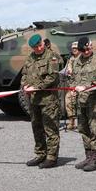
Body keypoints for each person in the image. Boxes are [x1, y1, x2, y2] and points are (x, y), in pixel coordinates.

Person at [21, 34, 61, 169]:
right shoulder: (30, 58)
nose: (38, 49)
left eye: (39, 45)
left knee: (50, 129)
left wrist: (36, 87)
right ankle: (40, 154)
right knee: (37, 128)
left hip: (48, 100)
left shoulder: (52, 56)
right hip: (33, 100)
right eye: (35, 47)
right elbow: (24, 74)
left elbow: (52, 77)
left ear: (43, 43)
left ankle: (52, 158)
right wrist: (24, 86)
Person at [70, 36, 96, 172]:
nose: (86, 52)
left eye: (88, 49)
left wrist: (86, 86)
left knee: (94, 129)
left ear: (91, 46)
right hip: (81, 101)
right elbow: (72, 78)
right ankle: (88, 156)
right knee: (83, 128)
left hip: (94, 101)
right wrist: (73, 88)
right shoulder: (76, 61)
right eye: (83, 50)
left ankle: (94, 159)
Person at [64, 41, 80, 130]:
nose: (74, 50)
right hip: (71, 85)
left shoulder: (82, 58)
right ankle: (71, 122)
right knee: (68, 101)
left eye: (76, 48)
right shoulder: (70, 59)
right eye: (73, 48)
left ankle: (82, 123)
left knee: (80, 104)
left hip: (81, 85)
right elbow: (68, 69)